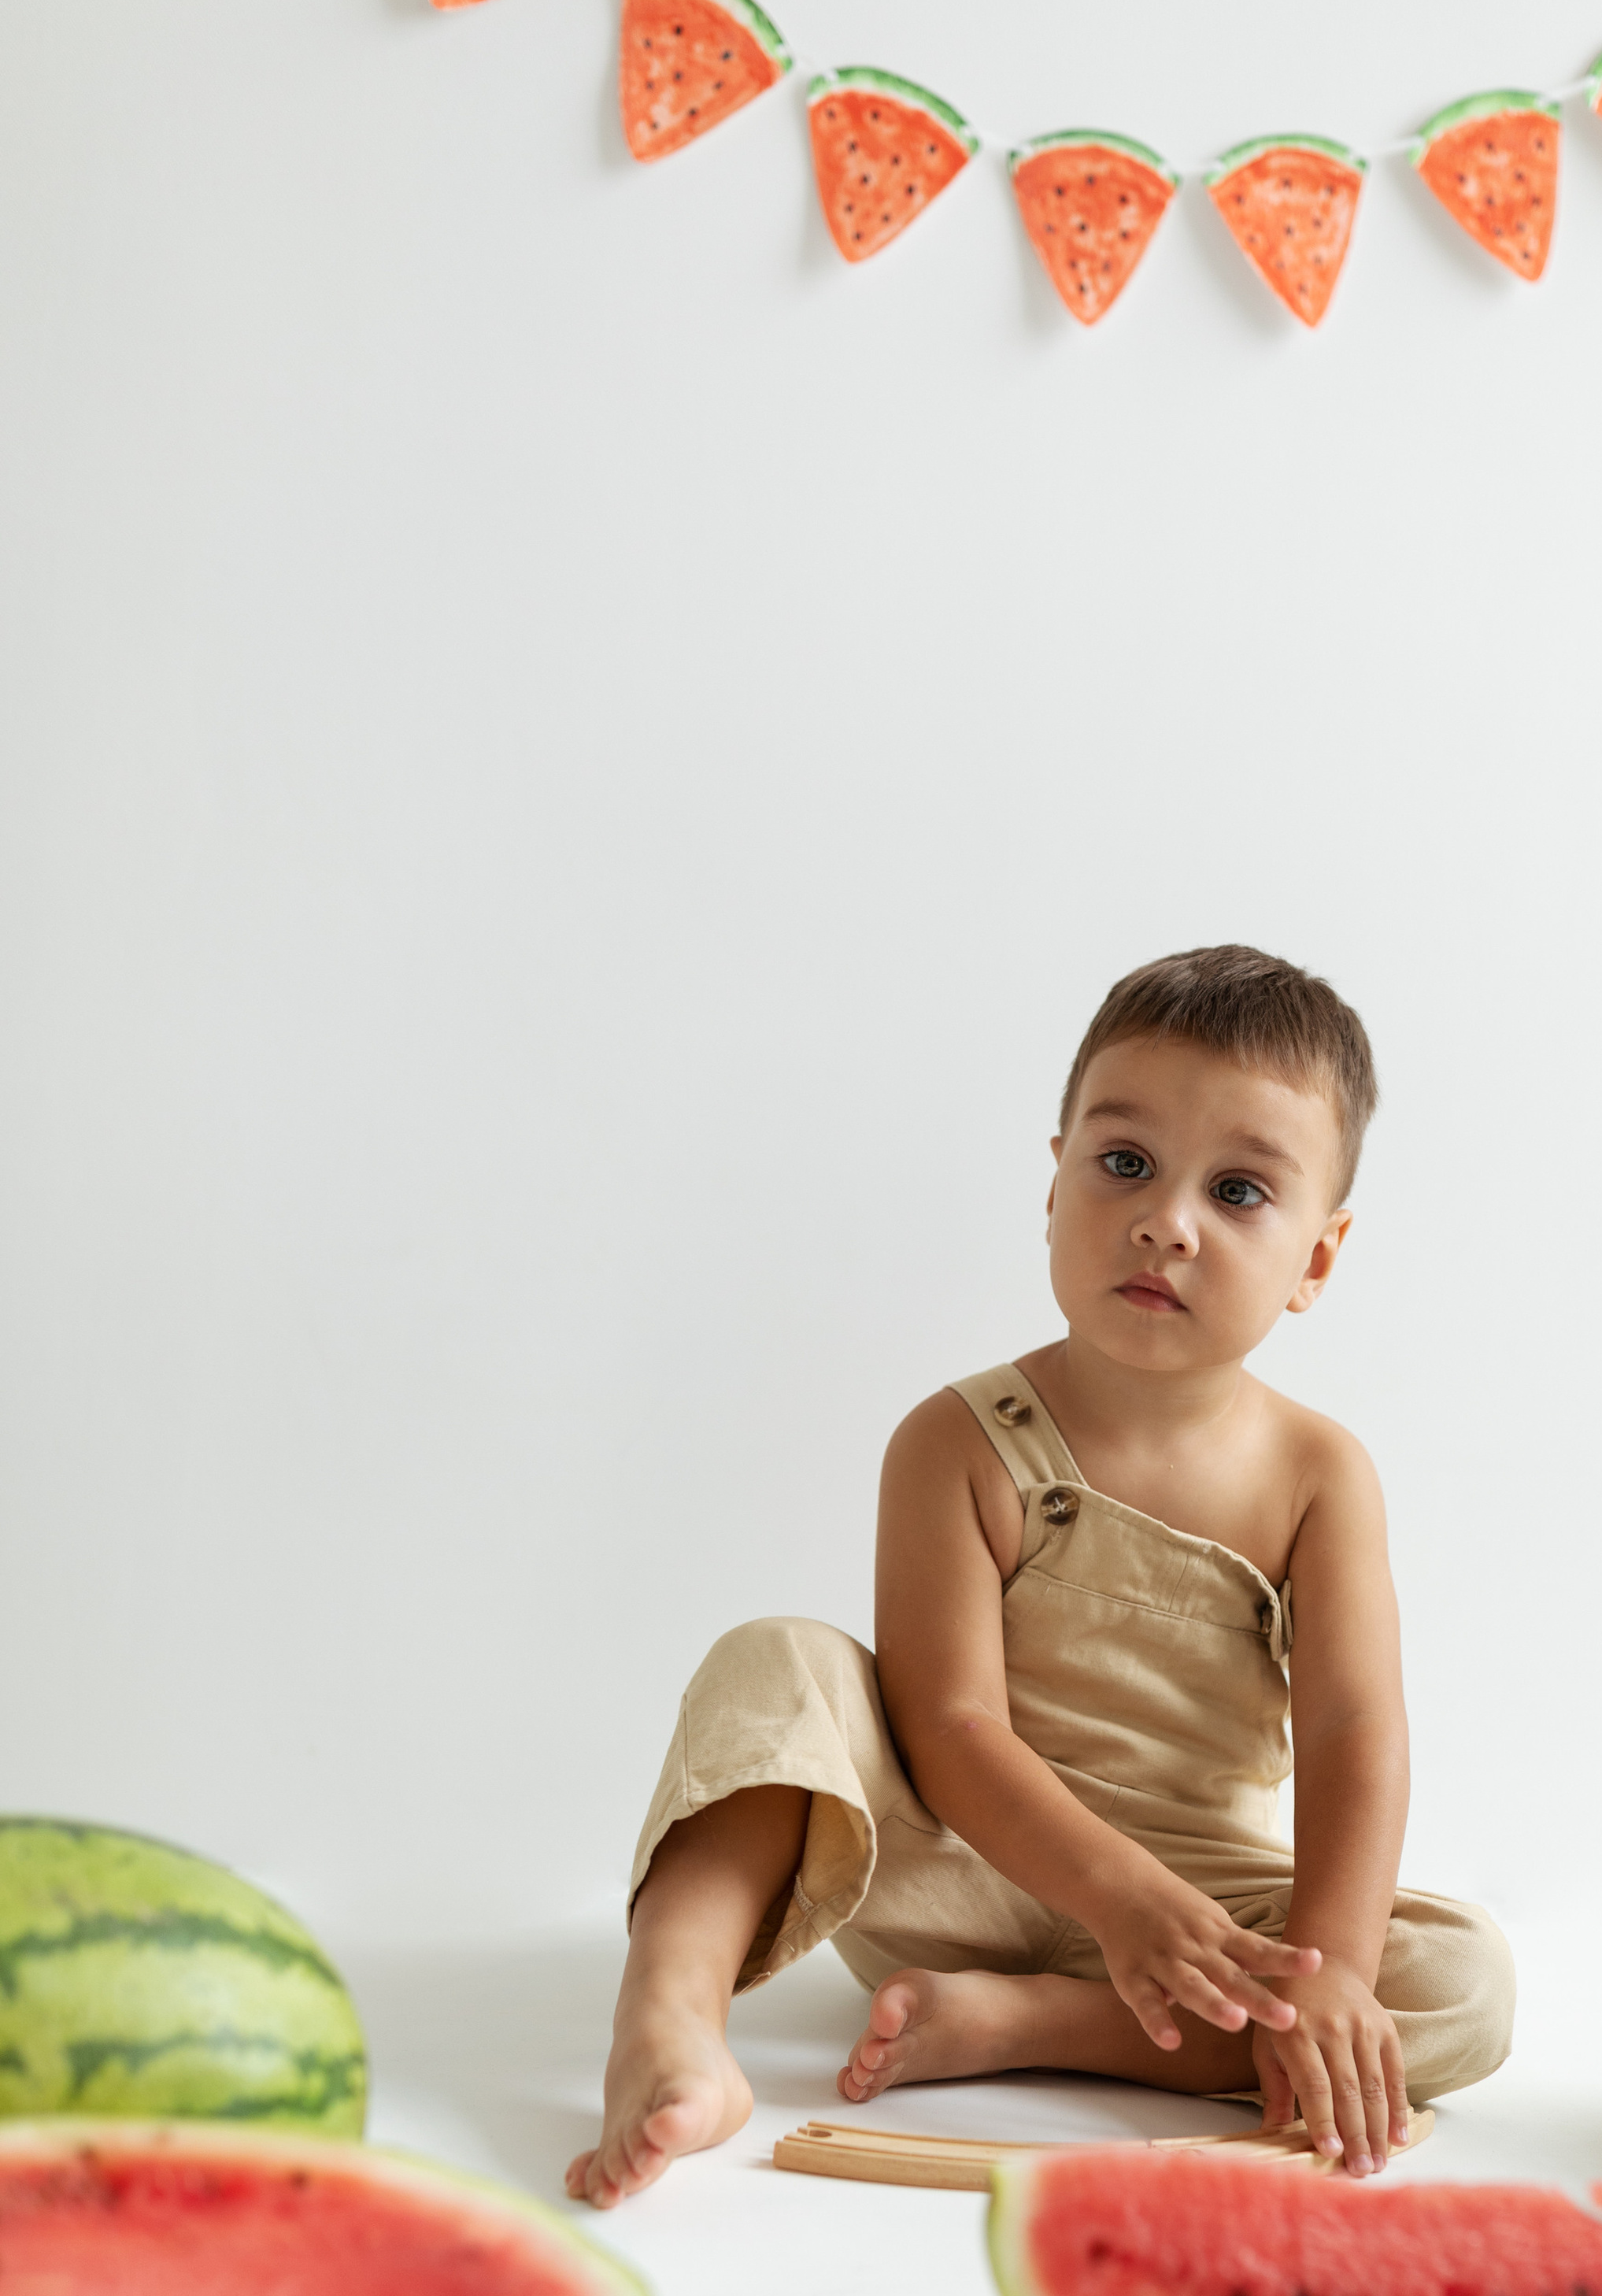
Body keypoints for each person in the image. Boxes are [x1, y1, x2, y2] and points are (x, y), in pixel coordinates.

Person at [566, 944, 1514, 2209]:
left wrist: (1327, 1969)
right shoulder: (958, 1443)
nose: (1165, 1220)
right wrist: (1115, 1903)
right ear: (1054, 1183)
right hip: (961, 1864)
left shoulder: (1320, 1477)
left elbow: (1352, 1727)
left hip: (1204, 1907)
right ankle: (669, 2021)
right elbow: (950, 1727)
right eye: (1124, 1163)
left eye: (1238, 1192)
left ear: (1318, 1263)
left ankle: (1036, 2025)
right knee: (779, 1658)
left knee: (1463, 1986)